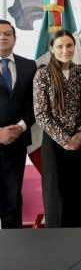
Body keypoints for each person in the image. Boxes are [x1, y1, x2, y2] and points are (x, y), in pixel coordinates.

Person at [32, 30, 81, 227]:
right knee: (57, 197)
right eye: (60, 46)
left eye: (69, 45)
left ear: (74, 47)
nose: (65, 50)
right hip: (55, 144)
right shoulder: (42, 74)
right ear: (52, 49)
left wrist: (80, 134)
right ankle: (58, 239)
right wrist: (65, 140)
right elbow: (41, 114)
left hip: (80, 143)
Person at [0, 19, 36, 228]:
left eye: (7, 34)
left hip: (16, 142)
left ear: (15, 39)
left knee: (12, 200)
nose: (2, 37)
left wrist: (21, 127)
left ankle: (12, 244)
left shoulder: (29, 66)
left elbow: (35, 104)